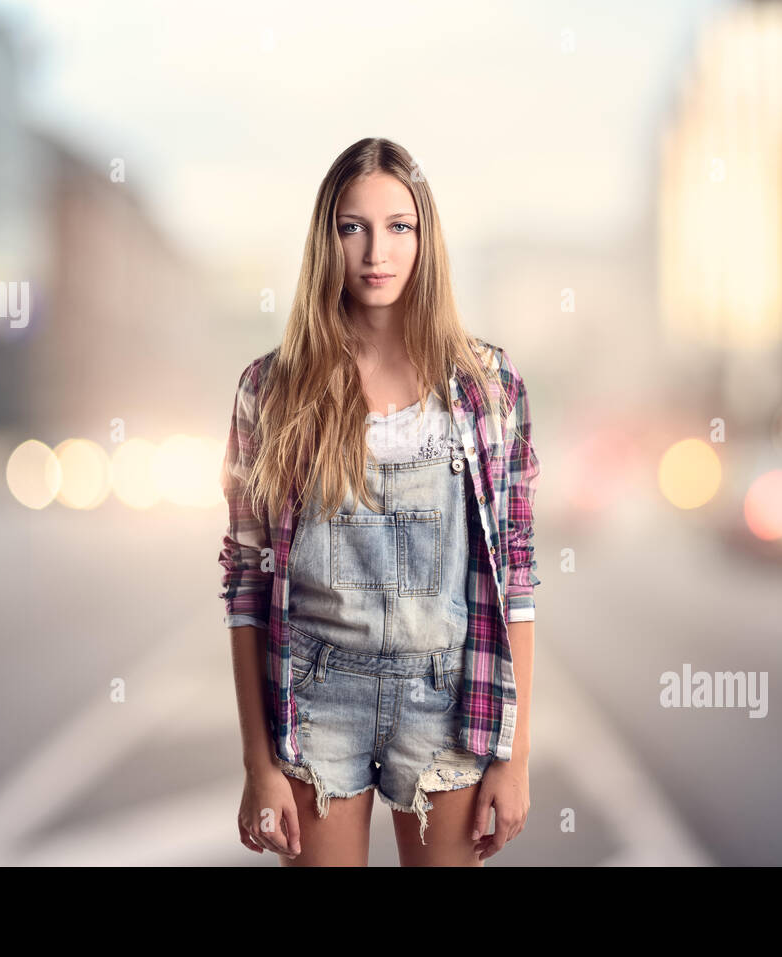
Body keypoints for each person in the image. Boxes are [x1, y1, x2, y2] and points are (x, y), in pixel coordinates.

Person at [218, 137, 540, 866]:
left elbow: (514, 576)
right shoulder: (271, 389)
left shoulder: (487, 386)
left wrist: (513, 759)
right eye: (352, 226)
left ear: (426, 238)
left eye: (399, 226)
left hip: (447, 695)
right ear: (325, 240)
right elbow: (245, 583)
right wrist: (258, 763)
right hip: (315, 697)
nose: (375, 251)